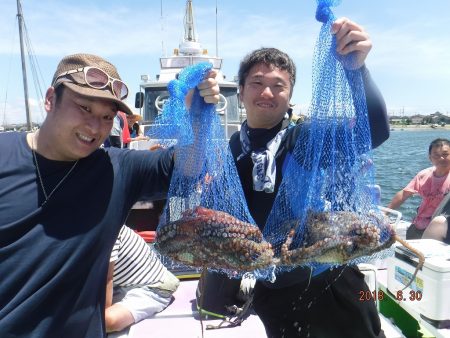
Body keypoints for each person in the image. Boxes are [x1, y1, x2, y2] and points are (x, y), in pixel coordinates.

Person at [0, 53, 219, 337]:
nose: (94, 127)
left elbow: (186, 167)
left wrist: (197, 115)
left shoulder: (117, 170)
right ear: (51, 99)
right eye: (83, 108)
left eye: (106, 117)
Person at [226, 17, 388, 338]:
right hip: (272, 288)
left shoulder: (308, 139)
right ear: (241, 91)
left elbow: (375, 130)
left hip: (333, 284)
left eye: (279, 85)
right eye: (257, 83)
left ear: (290, 96)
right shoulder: (234, 147)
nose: (267, 92)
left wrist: (357, 71)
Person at [105, 225, 179, 334]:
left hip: (153, 288)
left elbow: (106, 280)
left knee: (105, 321)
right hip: (121, 285)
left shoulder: (107, 230)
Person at [387, 138, 450, 239]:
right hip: (418, 225)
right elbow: (404, 194)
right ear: (430, 158)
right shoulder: (423, 175)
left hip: (440, 230)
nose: (441, 158)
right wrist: (386, 212)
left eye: (445, 154)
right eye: (436, 155)